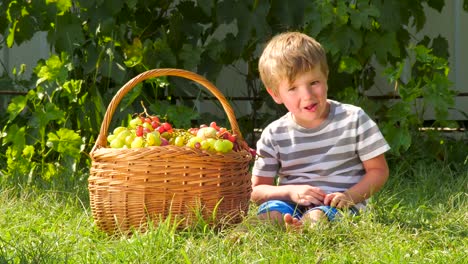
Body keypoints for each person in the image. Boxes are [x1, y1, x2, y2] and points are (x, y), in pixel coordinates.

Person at [251, 31, 390, 229]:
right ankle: (243, 236)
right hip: (289, 202)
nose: (307, 95)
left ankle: (303, 232)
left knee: (316, 218)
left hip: (339, 204)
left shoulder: (354, 119)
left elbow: (378, 171)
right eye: (293, 88)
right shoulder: (274, 134)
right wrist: (290, 192)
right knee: (269, 217)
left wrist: (349, 196)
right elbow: (257, 191)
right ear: (275, 94)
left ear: (325, 77)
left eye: (313, 83)